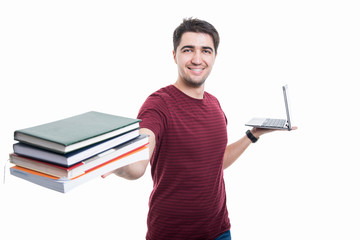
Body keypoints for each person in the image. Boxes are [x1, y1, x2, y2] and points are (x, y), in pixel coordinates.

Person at [104, 18, 296, 240]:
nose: (197, 59)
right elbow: (138, 164)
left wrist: (253, 134)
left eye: (205, 50)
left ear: (214, 57)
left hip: (219, 231)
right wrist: (115, 162)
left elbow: (215, 161)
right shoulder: (158, 105)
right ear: (175, 55)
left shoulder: (214, 104)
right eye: (188, 50)